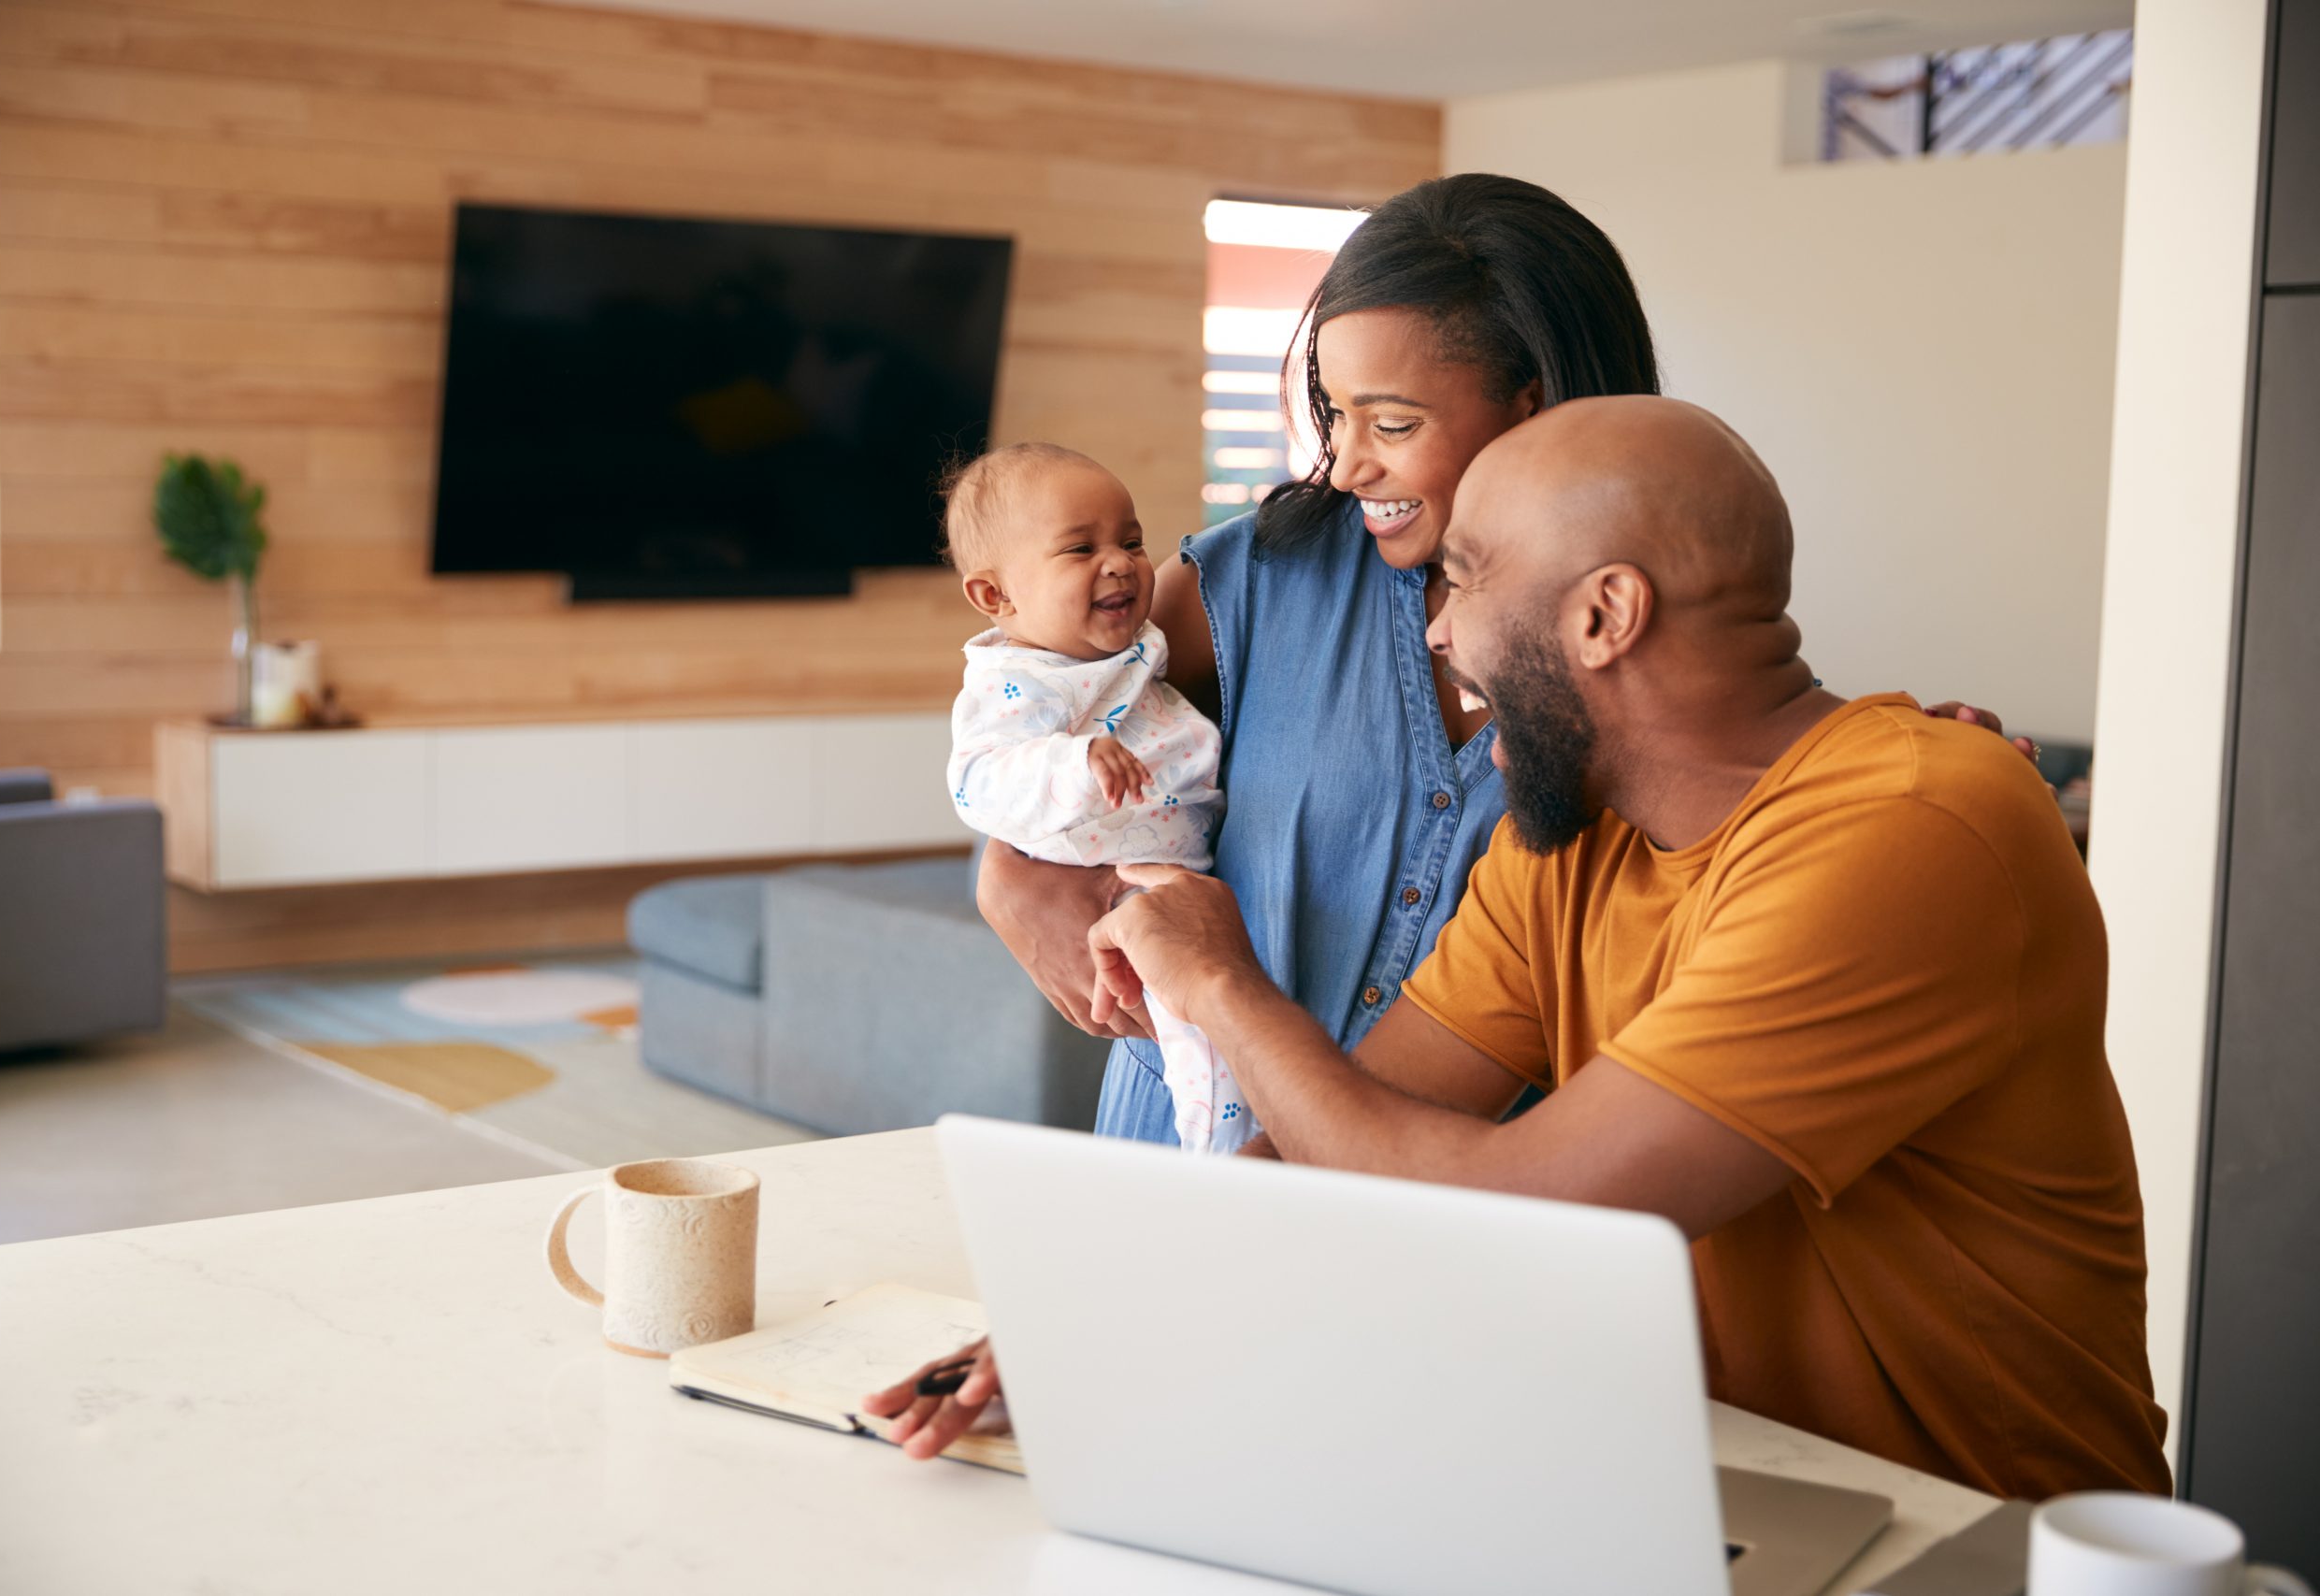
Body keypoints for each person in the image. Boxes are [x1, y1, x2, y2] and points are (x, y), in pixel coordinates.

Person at [869, 398, 2168, 1503]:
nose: (1436, 629)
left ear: (1605, 614)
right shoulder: (1573, 845)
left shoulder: (1910, 825)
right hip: (1693, 1488)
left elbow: (1518, 1209)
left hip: (1962, 1529)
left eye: (1468, 577)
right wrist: (1098, 1314)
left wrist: (1218, 979)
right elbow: (1356, 1142)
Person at [972, 173, 2033, 1148]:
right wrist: (1007, 869)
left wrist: (1891, 773)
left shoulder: (1634, 631)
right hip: (1203, 1152)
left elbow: (1732, 775)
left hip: (1490, 1177)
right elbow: (1043, 707)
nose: (1343, 462)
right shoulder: (1256, 579)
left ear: (1530, 400)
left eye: (1392, 419)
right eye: (1333, 411)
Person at [941, 443, 1246, 1151]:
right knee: (1199, 1021)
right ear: (997, 597)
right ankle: (1220, 1153)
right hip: (1118, 886)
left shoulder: (1129, 653)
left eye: (1132, 541)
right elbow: (978, 780)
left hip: (1182, 869)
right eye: (1080, 548)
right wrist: (1074, 762)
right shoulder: (1016, 681)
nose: (1120, 561)